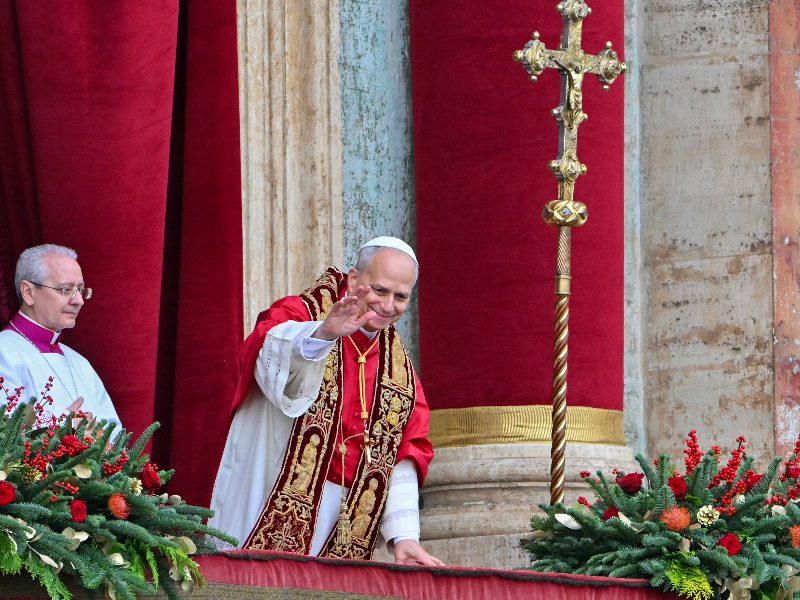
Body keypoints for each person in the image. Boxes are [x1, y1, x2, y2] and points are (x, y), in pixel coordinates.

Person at [210, 236, 443, 566]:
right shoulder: (302, 311)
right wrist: (323, 335)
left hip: (341, 520)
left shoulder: (398, 368)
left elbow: (408, 445)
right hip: (267, 495)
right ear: (353, 279)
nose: (389, 305)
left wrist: (404, 537)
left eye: (401, 296)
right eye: (380, 290)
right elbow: (267, 354)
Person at [0, 244, 120, 428]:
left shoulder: (81, 363)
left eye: (80, 290)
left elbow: (115, 435)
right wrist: (67, 427)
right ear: (29, 292)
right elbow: (8, 438)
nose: (78, 301)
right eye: (65, 289)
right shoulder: (4, 352)